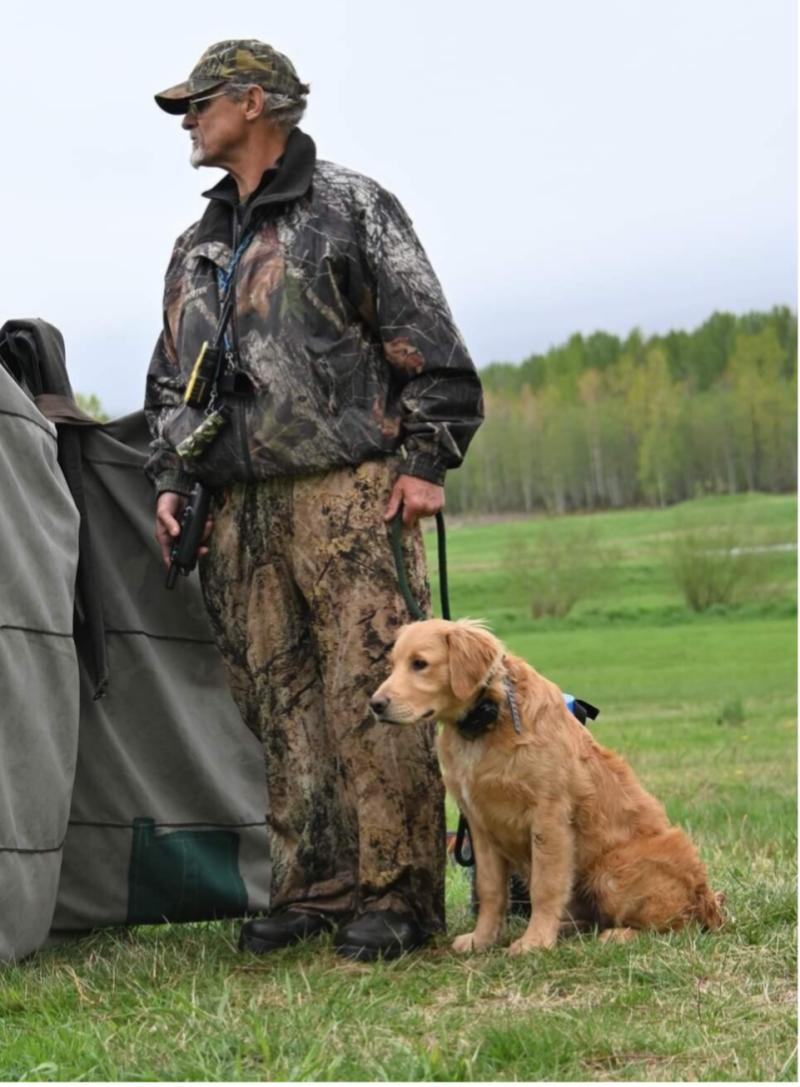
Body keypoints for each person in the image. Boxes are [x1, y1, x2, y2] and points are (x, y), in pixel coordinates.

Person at [145, 39, 483, 961]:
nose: (188, 120)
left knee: (373, 688)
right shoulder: (198, 244)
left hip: (350, 495)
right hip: (236, 511)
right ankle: (316, 889)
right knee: (277, 697)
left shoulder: (350, 208)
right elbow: (170, 378)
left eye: (200, 102)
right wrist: (174, 479)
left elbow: (431, 344)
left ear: (255, 102)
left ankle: (398, 896)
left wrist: (426, 458)